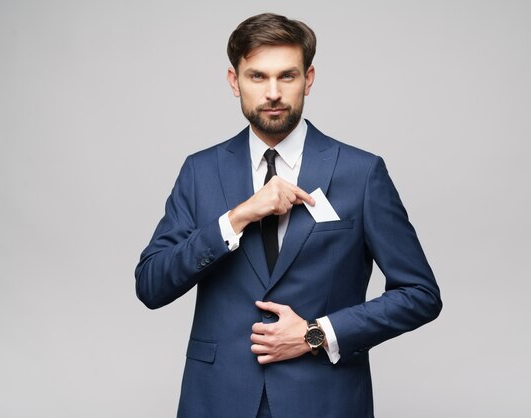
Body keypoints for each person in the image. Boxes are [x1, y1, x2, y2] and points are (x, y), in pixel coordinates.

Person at [135, 12, 442, 418]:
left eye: (287, 76)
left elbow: (420, 295)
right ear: (234, 81)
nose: (273, 93)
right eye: (257, 77)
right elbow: (151, 285)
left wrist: (317, 334)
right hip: (217, 399)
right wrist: (237, 217)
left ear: (308, 79)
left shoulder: (361, 173)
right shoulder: (200, 171)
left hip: (324, 400)